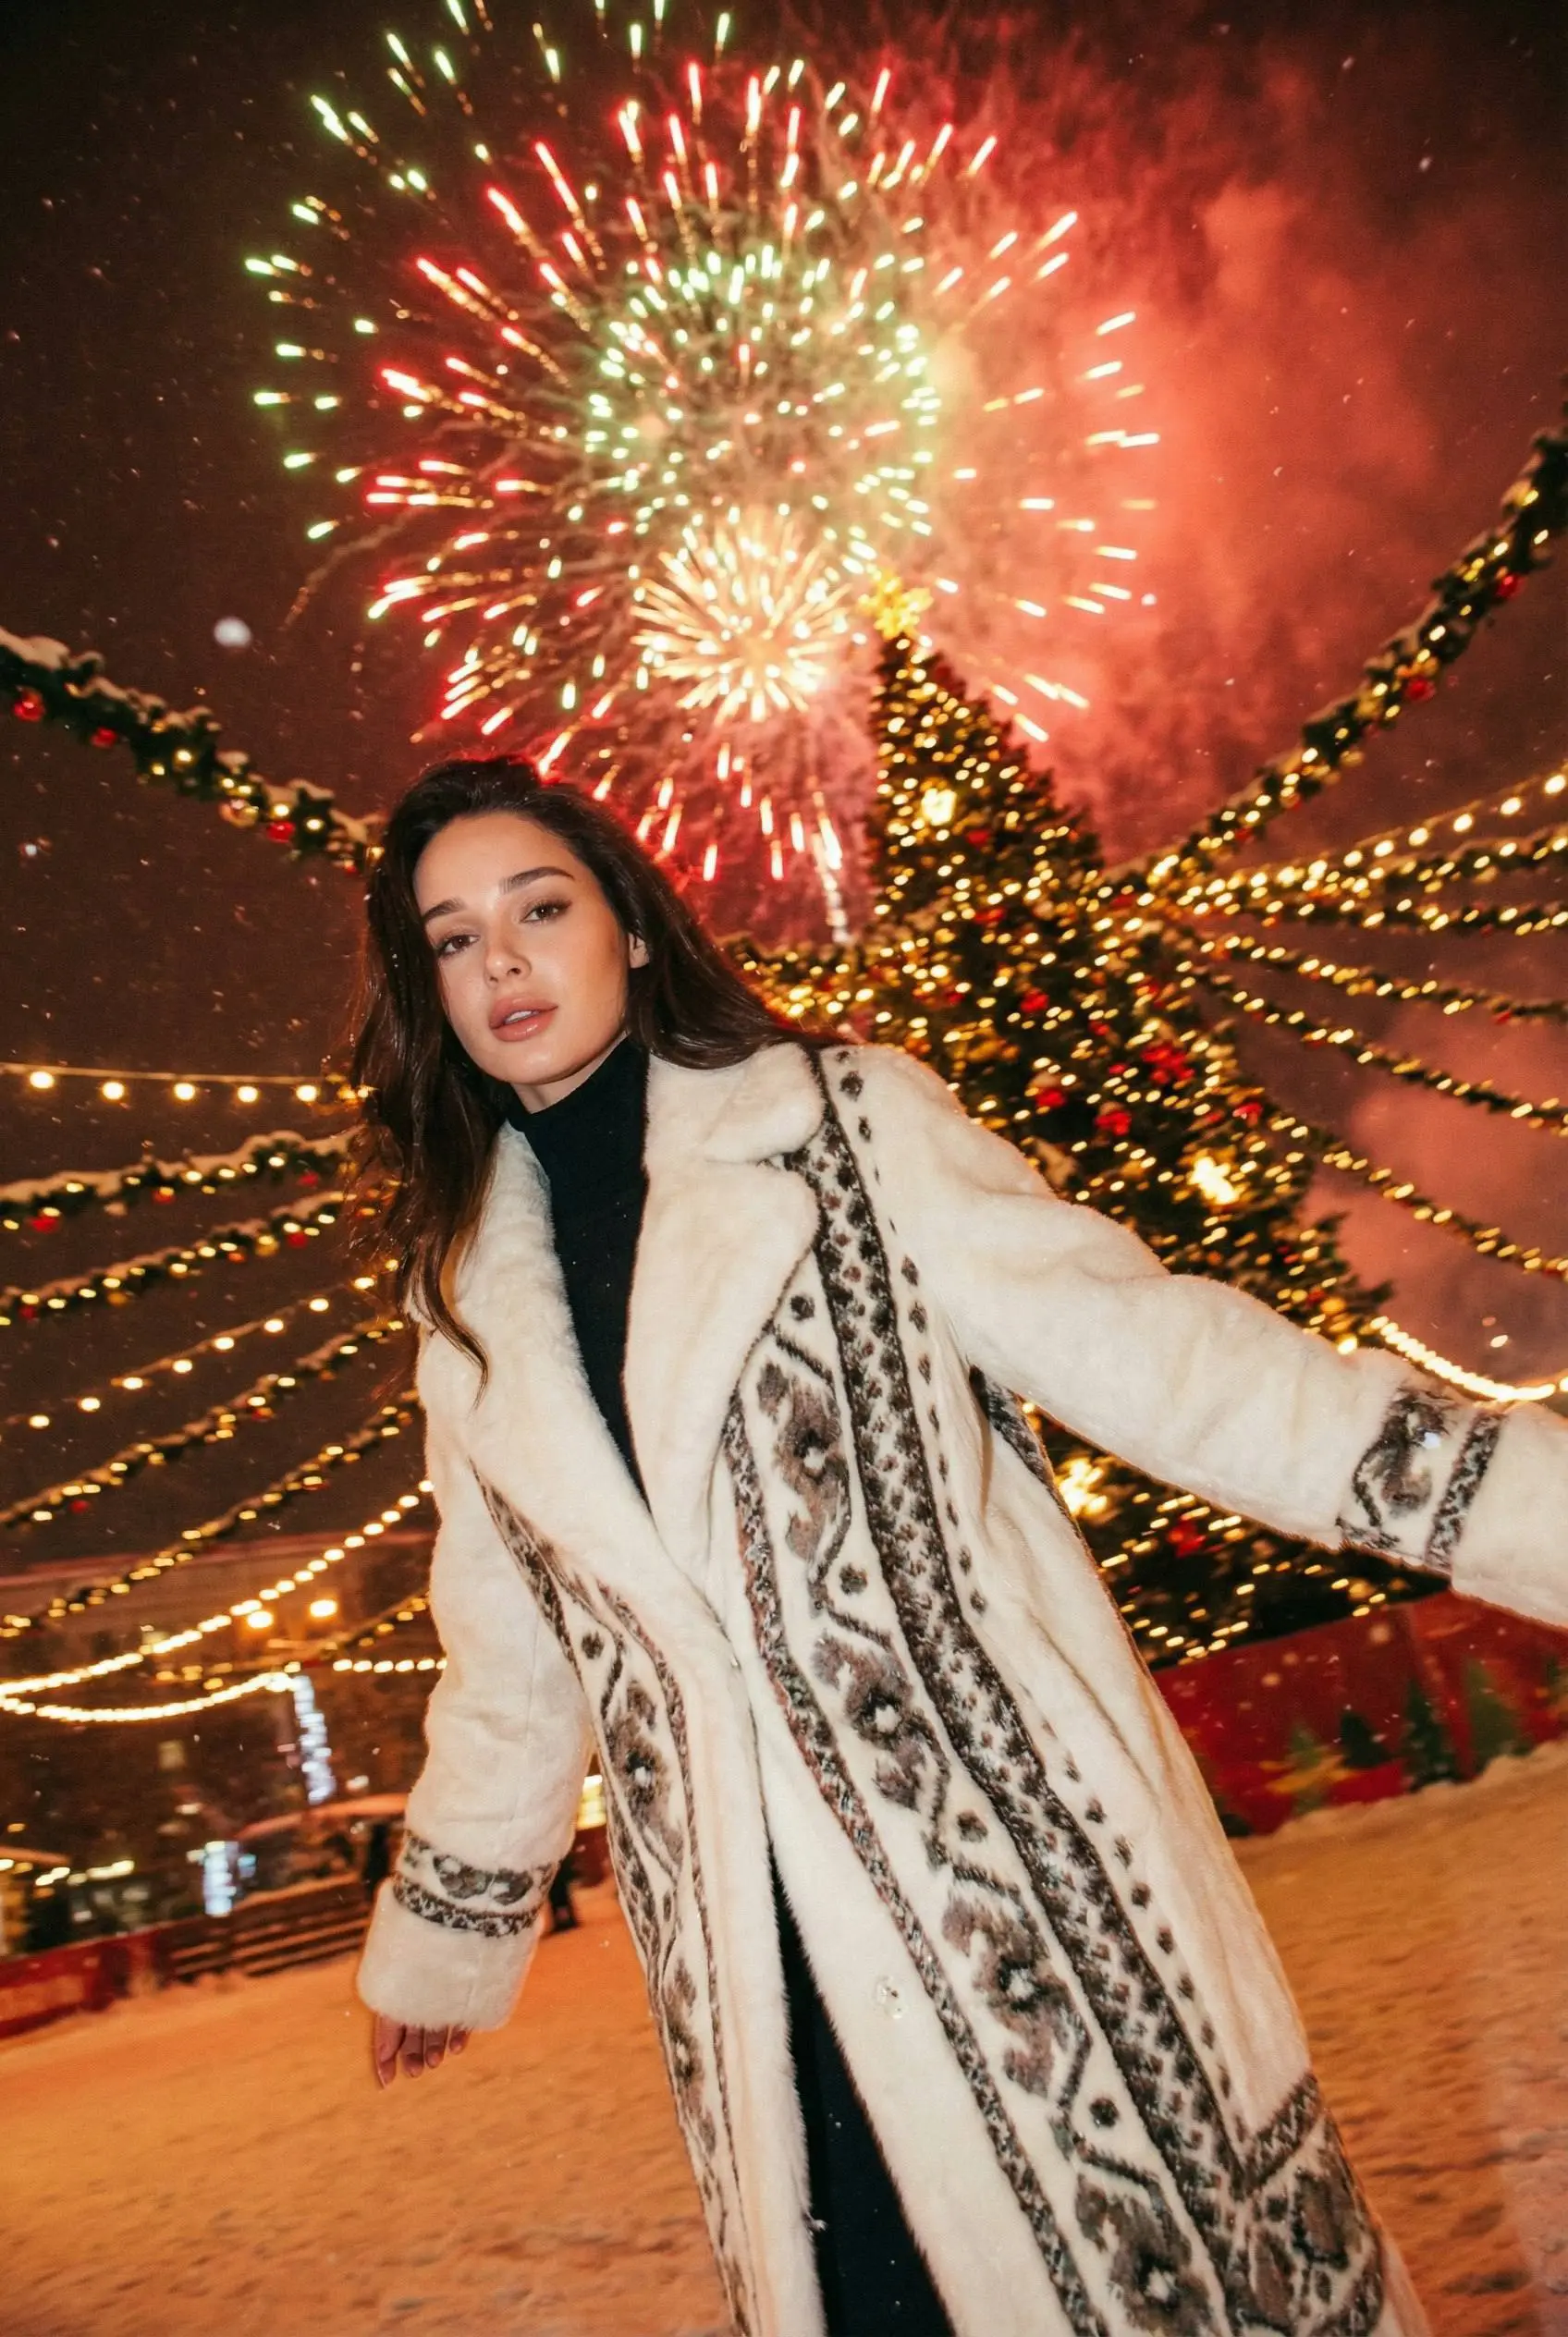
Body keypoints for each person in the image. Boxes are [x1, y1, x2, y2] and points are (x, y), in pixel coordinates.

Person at [350, 754, 1564, 2337]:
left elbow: (1183, 1369)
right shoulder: (467, 1306)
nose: (502, 963)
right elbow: (510, 1656)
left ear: (631, 929)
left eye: (540, 908)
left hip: (1016, 1902)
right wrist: (450, 1923)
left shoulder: (845, 1129)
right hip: (749, 1965)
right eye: (452, 938)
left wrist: (1525, 1506)